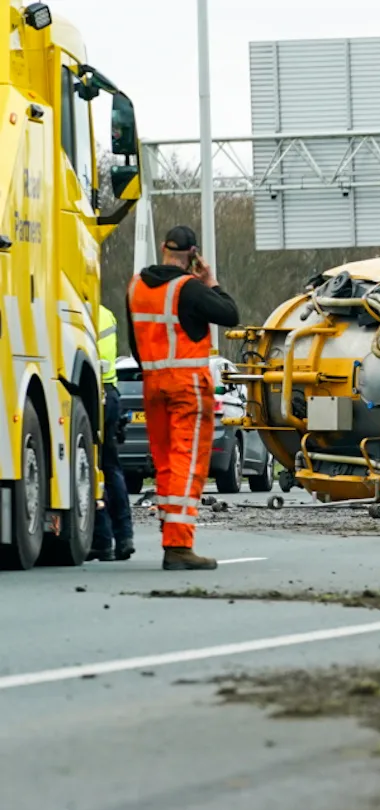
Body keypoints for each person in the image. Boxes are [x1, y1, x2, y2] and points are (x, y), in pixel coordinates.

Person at [127, 224, 238, 570]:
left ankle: (169, 527)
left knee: (163, 461)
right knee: (187, 463)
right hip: (186, 385)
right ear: (193, 255)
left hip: (152, 381)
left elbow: (134, 339)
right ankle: (178, 545)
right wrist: (210, 280)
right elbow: (230, 314)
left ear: (163, 247)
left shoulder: (136, 287)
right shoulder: (188, 288)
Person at [89, 302, 134, 561]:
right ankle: (124, 536)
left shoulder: (75, 309)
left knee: (91, 467)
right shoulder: (106, 313)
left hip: (92, 390)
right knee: (110, 466)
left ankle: (102, 539)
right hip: (110, 392)